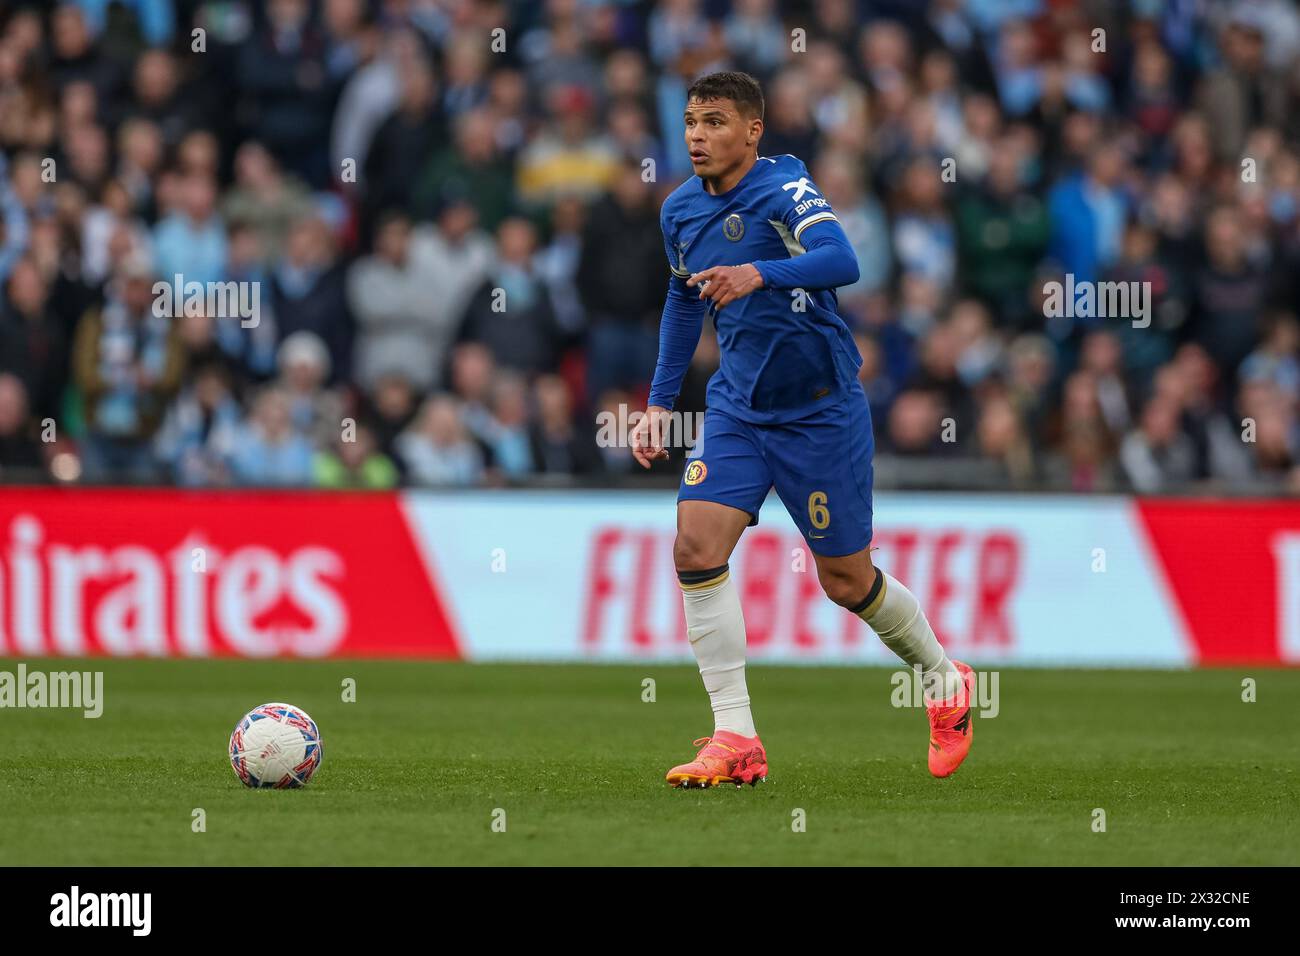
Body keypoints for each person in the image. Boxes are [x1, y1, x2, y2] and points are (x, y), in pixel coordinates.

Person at [631, 71, 974, 789]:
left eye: (716, 121)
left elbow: (842, 261)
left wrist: (759, 272)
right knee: (694, 543)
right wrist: (662, 402)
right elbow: (681, 298)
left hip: (820, 409)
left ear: (753, 131)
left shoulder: (786, 188)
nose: (697, 134)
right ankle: (736, 737)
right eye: (692, 120)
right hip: (737, 407)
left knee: (847, 582)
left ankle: (945, 682)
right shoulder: (680, 210)